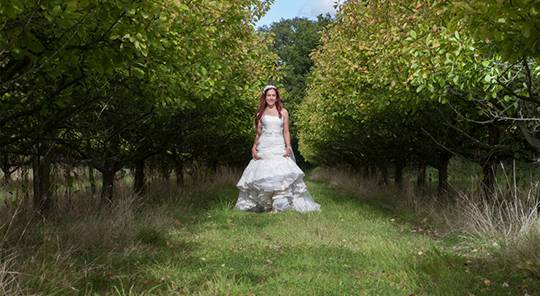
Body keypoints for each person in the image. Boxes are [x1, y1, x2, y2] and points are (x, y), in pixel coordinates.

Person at [235, 85, 320, 213]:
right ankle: (266, 204)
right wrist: (254, 148)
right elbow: (258, 134)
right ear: (265, 97)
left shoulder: (283, 112)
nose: (271, 98)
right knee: (265, 174)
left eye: (273, 95)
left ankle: (278, 204)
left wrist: (289, 146)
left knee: (279, 173)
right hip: (264, 146)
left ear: (277, 97)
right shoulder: (260, 114)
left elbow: (286, 131)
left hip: (278, 146)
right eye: (269, 95)